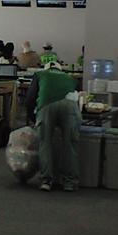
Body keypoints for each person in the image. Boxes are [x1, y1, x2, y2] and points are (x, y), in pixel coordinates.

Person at [25, 61, 81, 192]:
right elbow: (77, 96)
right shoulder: (70, 77)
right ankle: (69, 182)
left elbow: (30, 99)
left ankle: (46, 181)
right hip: (70, 105)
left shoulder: (40, 74)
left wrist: (32, 117)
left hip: (46, 105)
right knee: (70, 144)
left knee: (45, 142)